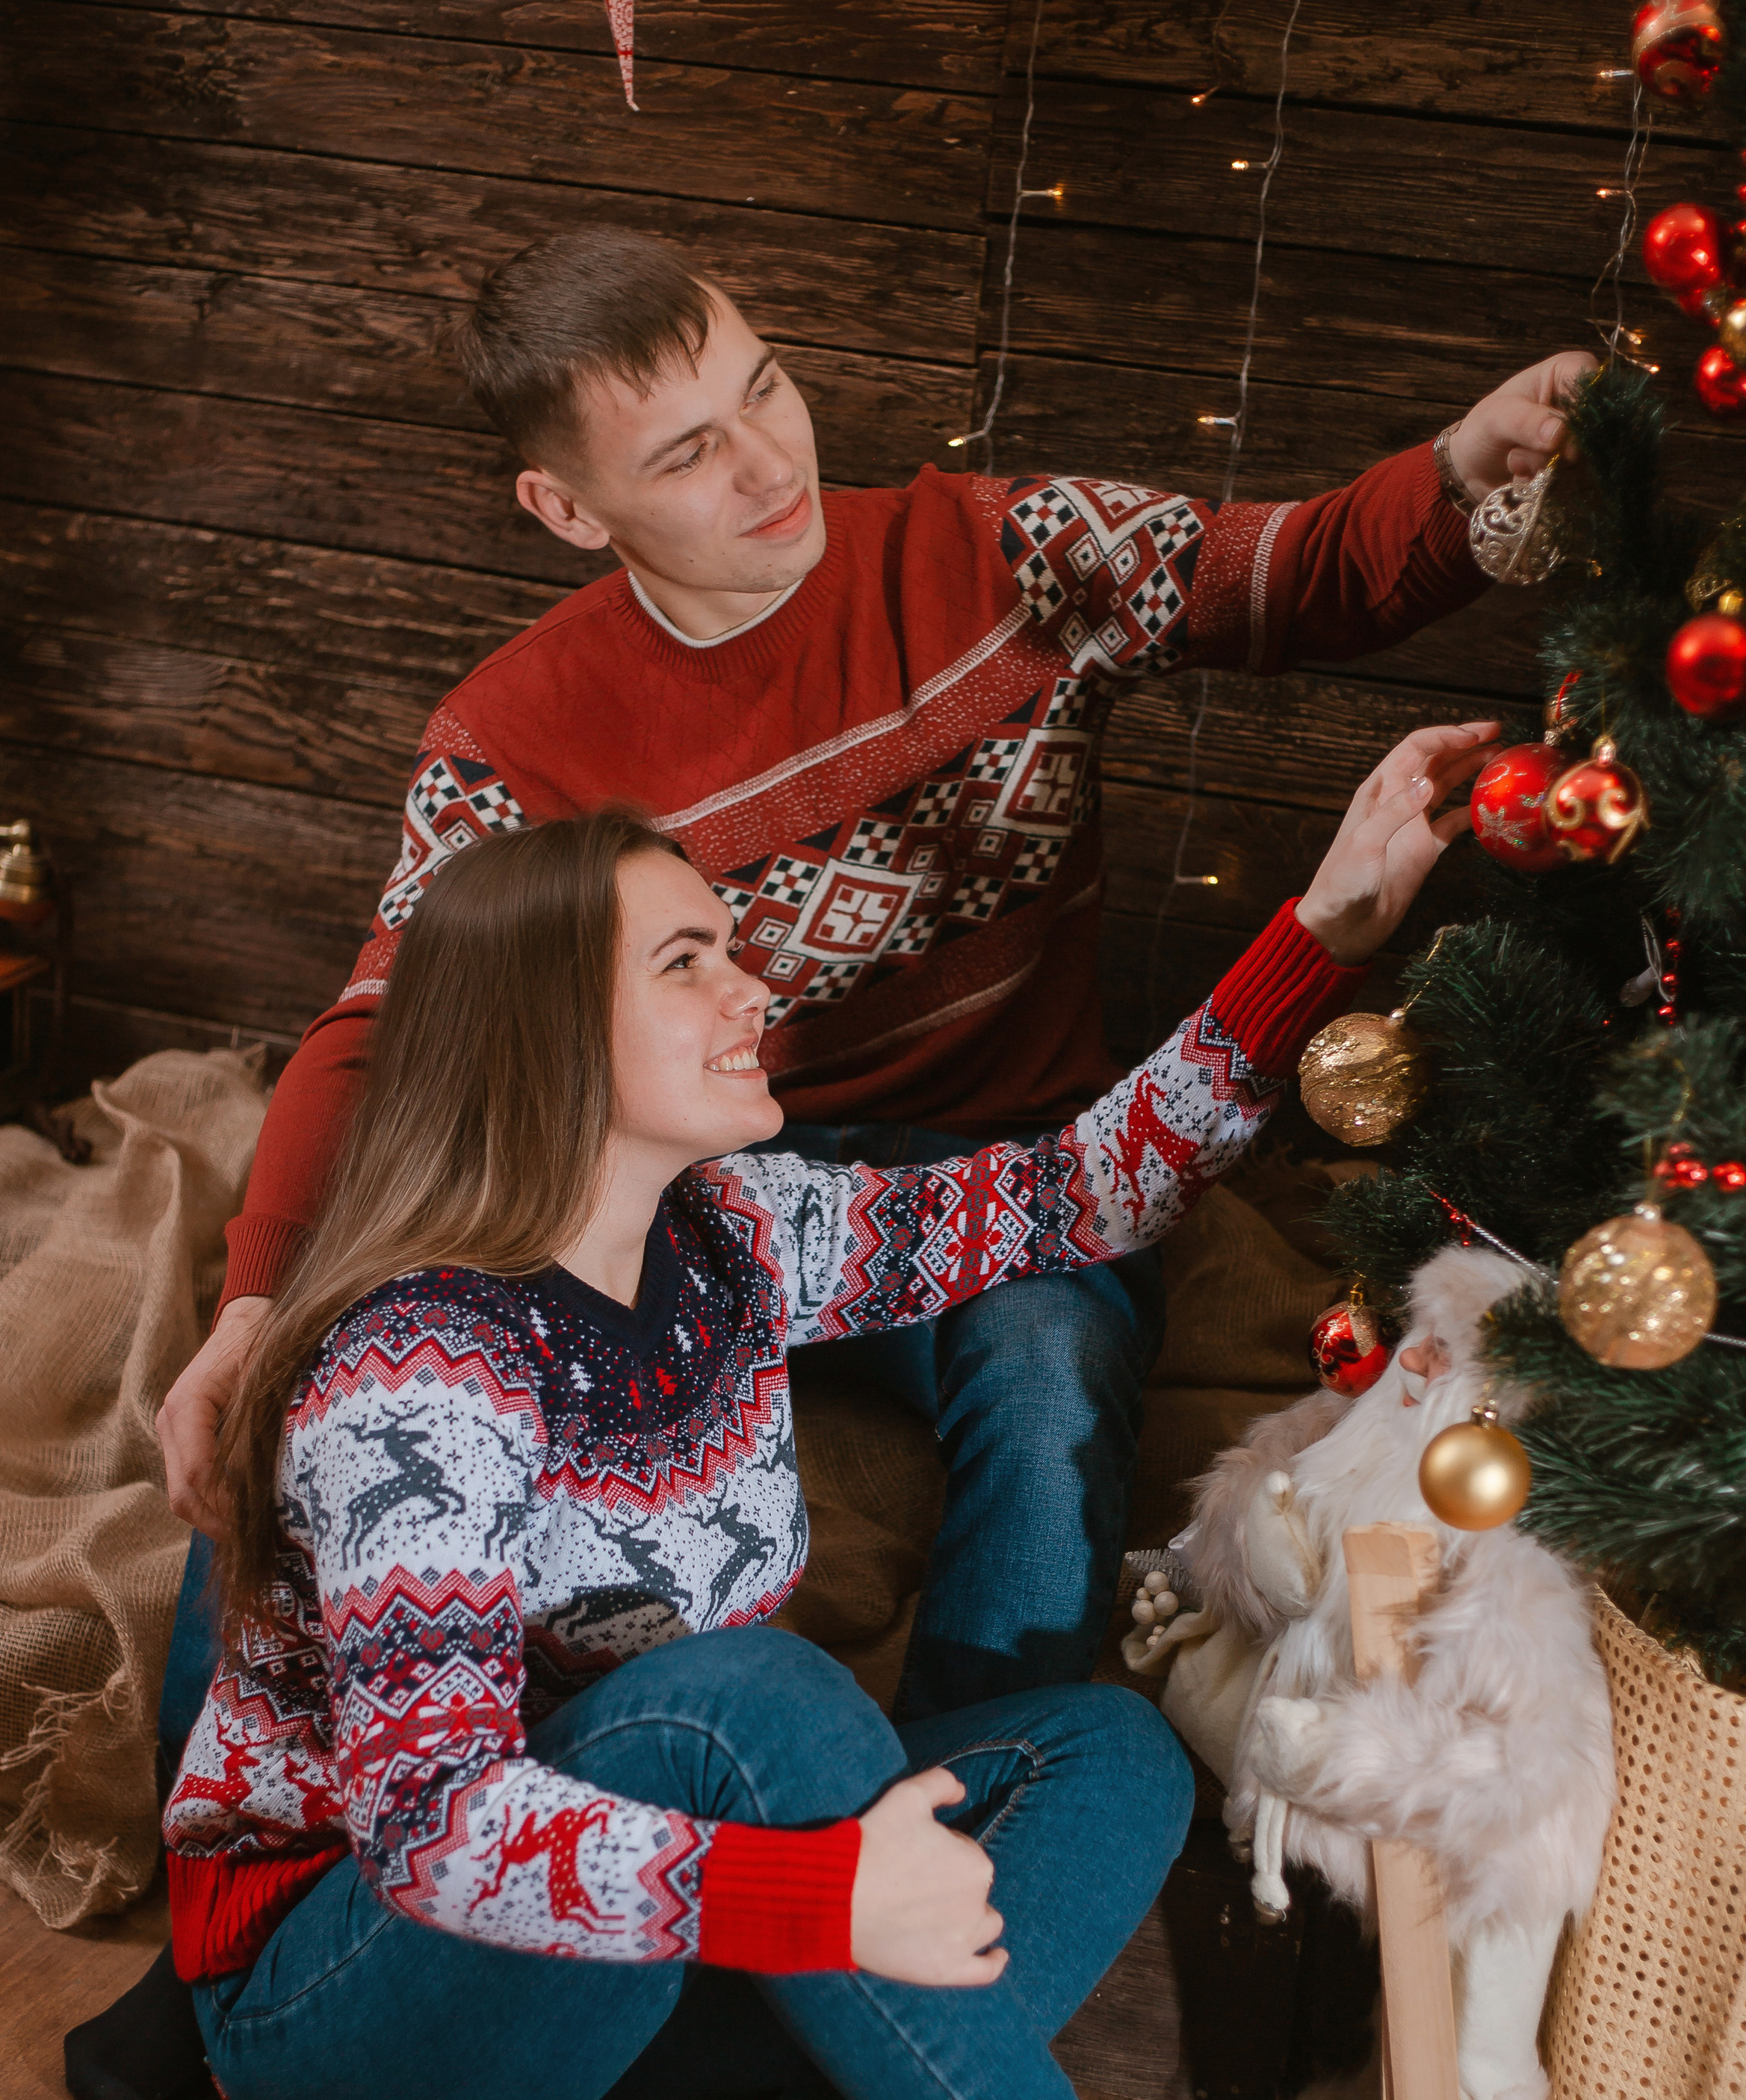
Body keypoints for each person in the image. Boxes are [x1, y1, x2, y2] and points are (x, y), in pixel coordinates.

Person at [173, 727, 1486, 2100]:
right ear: (547, 1030)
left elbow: (1065, 1200)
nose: (755, 988)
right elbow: (426, 1829)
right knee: (748, 1702)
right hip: (361, 2004)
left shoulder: (735, 1235)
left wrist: (1318, 936)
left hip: (615, 1947)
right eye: (688, 961)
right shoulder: (424, 1372)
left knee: (1098, 1747)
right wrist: (817, 1905)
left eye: (735, 945)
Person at [156, 221, 1593, 1723]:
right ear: (565, 508)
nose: (771, 467)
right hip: (691, 1190)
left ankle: (981, 1802)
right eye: (688, 454)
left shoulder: (998, 551)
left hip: (1006, 1161)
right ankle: (245, 1875)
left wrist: (1455, 464)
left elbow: (1279, 575)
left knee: (1052, 1365)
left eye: (766, 391)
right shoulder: (515, 738)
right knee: (328, 1367)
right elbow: (382, 1027)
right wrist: (259, 1302)